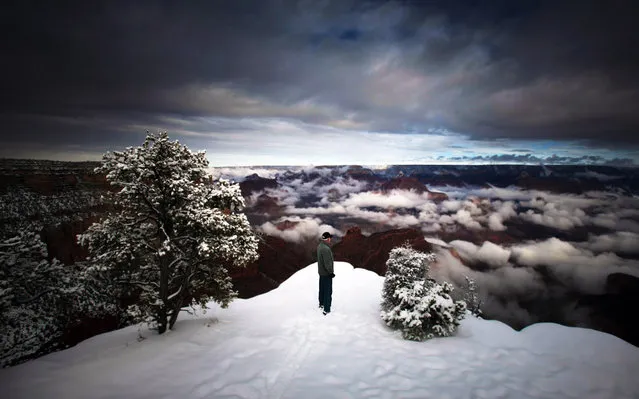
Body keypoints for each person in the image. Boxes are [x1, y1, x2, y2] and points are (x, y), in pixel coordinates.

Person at [317, 231, 335, 315]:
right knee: (328, 291)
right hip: (326, 274)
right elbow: (327, 263)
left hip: (321, 272)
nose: (331, 239)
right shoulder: (326, 249)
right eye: (330, 238)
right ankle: (326, 309)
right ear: (327, 239)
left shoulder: (320, 246)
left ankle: (321, 304)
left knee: (322, 289)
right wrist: (331, 272)